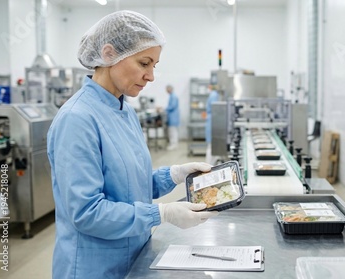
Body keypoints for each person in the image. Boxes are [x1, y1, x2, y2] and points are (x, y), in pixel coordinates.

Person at [47, 11, 218, 279]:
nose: (151, 76)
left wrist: (174, 175)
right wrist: (162, 213)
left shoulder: (125, 111)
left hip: (133, 258)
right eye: (144, 63)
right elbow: (87, 213)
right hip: (93, 268)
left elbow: (129, 187)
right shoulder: (76, 120)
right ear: (108, 53)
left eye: (154, 65)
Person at [205, 84, 219, 164]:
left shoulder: (213, 95)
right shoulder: (214, 95)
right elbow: (216, 109)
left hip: (211, 121)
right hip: (212, 122)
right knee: (211, 147)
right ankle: (208, 165)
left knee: (212, 147)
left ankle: (210, 165)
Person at [165, 84, 180, 150]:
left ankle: (174, 144)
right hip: (173, 116)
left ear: (169, 89)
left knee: (172, 131)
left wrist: (164, 109)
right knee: (173, 131)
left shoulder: (173, 96)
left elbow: (172, 106)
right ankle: (174, 143)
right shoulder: (172, 96)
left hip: (173, 117)